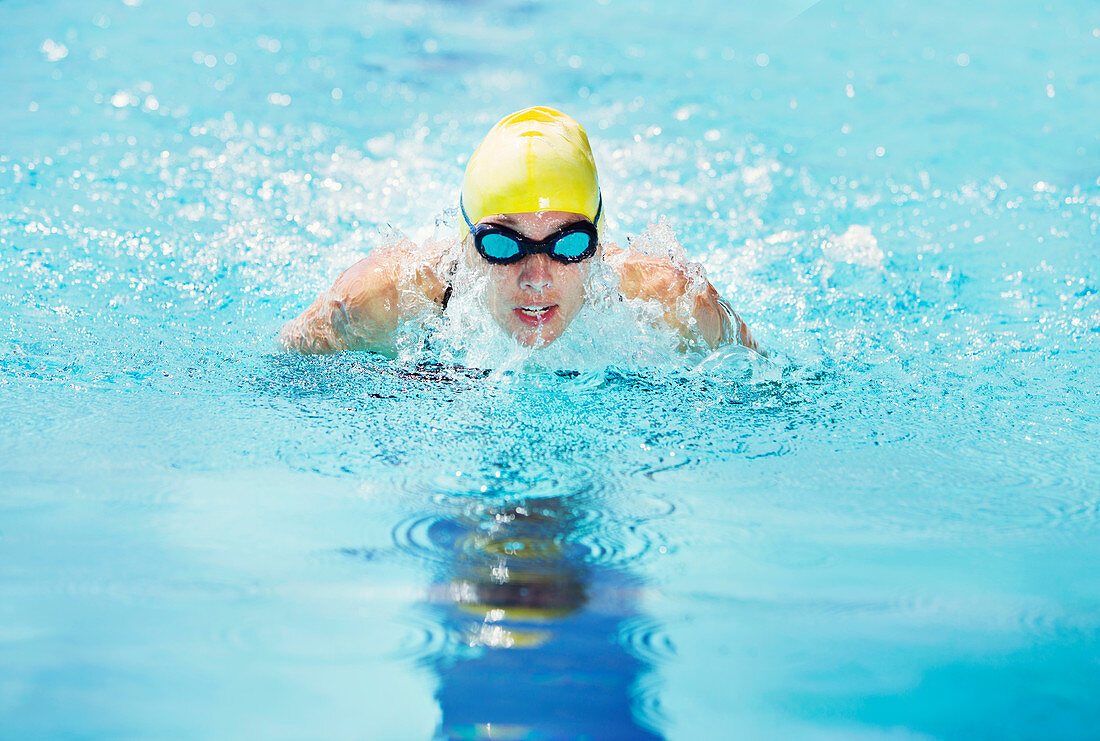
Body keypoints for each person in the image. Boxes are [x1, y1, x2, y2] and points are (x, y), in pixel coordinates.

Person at [279, 106, 757, 357]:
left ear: (597, 243)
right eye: (502, 245)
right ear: (468, 243)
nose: (536, 277)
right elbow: (284, 367)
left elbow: (774, 386)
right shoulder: (377, 302)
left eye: (569, 244)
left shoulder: (673, 306)